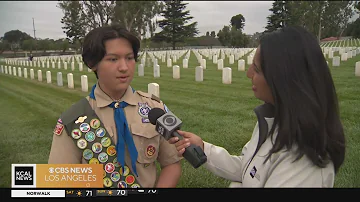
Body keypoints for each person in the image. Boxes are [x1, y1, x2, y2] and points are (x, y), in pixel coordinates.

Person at [169, 26, 346, 187]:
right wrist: (204, 148)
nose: (248, 74)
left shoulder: (306, 167)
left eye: (257, 69)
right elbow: (248, 170)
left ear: (282, 80)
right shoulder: (274, 120)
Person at [48, 25, 182, 188]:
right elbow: (61, 181)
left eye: (129, 58)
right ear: (92, 63)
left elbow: (172, 163)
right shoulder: (73, 119)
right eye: (113, 59)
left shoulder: (155, 108)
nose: (124, 67)